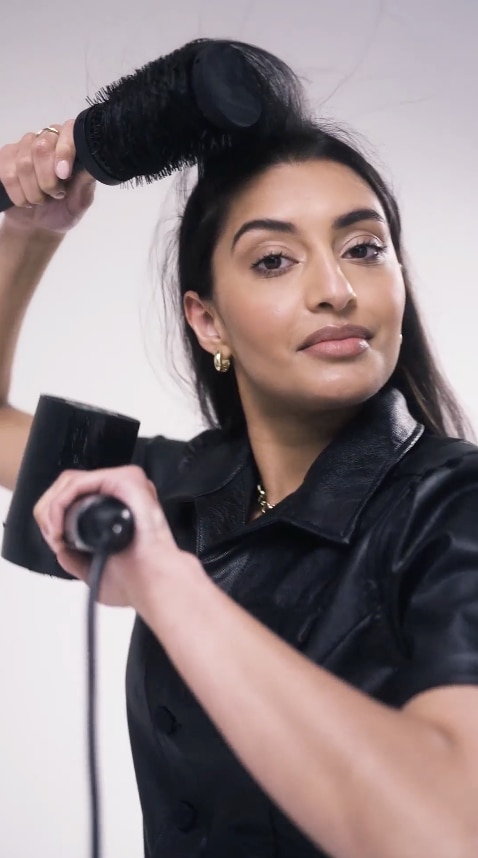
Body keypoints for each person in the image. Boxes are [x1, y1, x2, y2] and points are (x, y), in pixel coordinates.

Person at [1, 54, 478, 858]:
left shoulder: (452, 512)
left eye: (364, 247)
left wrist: (168, 585)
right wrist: (27, 232)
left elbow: (451, 829)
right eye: (274, 260)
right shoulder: (181, 489)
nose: (336, 289)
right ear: (207, 321)